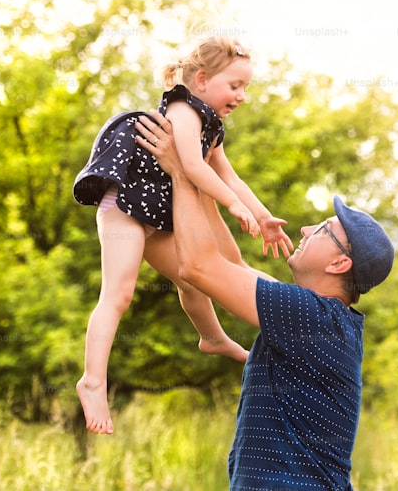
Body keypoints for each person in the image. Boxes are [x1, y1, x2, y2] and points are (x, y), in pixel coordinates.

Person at [134, 109, 395, 490]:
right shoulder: (317, 317)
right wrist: (204, 170)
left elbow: (199, 267)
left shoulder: (311, 318)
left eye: (323, 229)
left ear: (340, 262)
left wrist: (181, 173)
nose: (307, 227)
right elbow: (228, 265)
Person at [72, 36, 294, 435]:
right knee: (119, 293)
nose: (241, 96)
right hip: (125, 205)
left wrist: (261, 216)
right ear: (203, 79)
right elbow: (192, 166)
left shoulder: (210, 123)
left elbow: (229, 174)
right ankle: (92, 381)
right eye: (235, 86)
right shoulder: (183, 109)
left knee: (194, 275)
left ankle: (211, 337)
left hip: (158, 211)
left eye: (245, 87)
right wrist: (231, 205)